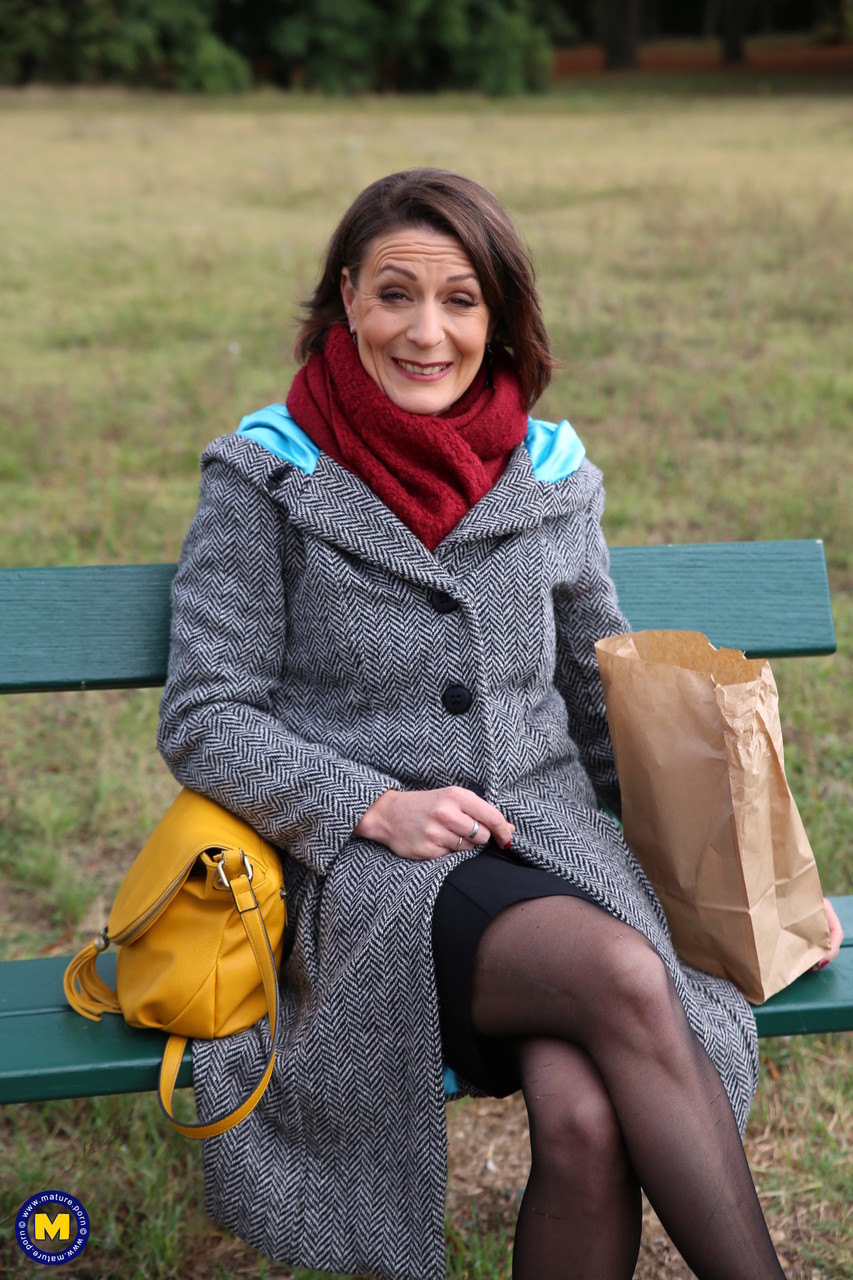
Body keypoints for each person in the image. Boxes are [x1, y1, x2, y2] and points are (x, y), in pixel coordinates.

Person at [158, 168, 843, 1280]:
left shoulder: (548, 474)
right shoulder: (265, 474)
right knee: (625, 979)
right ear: (346, 296)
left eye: (460, 299)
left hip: (553, 849)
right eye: (394, 294)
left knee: (584, 1116)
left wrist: (763, 882)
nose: (426, 331)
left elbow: (605, 705)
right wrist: (371, 803)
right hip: (372, 883)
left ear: (499, 313)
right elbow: (205, 713)